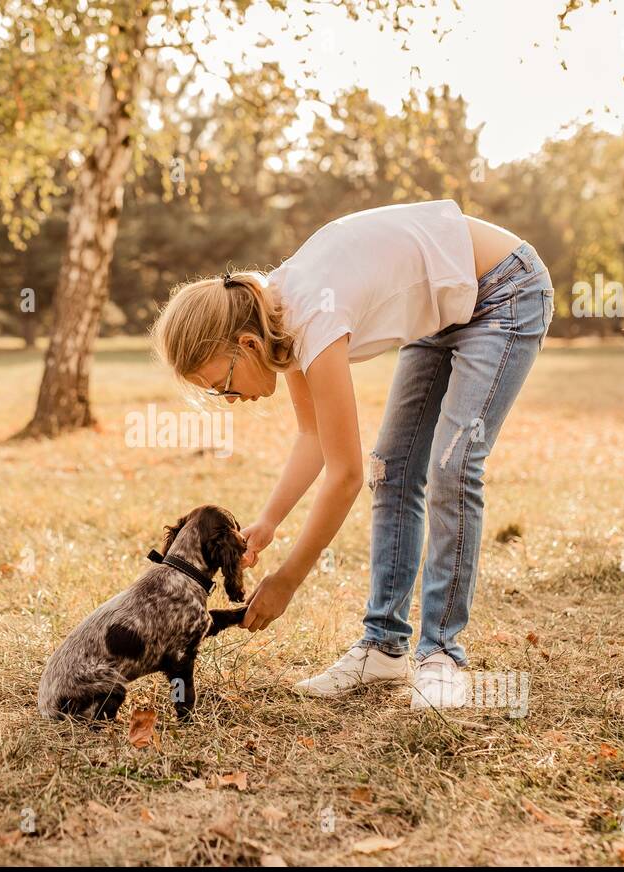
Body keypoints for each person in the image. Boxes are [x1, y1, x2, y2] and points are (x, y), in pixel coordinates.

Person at [151, 200, 554, 708]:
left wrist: (287, 580)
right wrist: (269, 521)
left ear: (247, 345)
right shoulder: (275, 317)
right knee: (394, 471)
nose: (230, 400)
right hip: (444, 312)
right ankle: (385, 647)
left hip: (504, 291)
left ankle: (442, 655)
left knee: (452, 465)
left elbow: (343, 474)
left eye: (222, 385)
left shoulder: (312, 317)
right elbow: (313, 439)